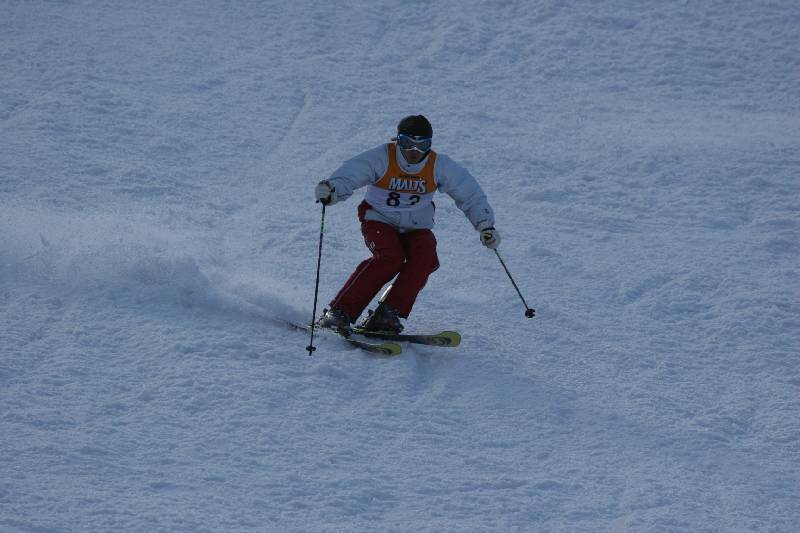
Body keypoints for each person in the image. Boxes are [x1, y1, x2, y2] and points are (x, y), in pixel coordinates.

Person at [313, 114, 500, 334]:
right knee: (390, 257)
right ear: (397, 140)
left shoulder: (439, 165)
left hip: (416, 225)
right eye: (407, 143)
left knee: (426, 256)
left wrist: (485, 225)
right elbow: (351, 174)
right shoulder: (382, 157)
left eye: (422, 145)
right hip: (379, 218)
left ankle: (387, 313)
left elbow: (470, 194)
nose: (414, 151)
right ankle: (339, 312)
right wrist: (332, 189)